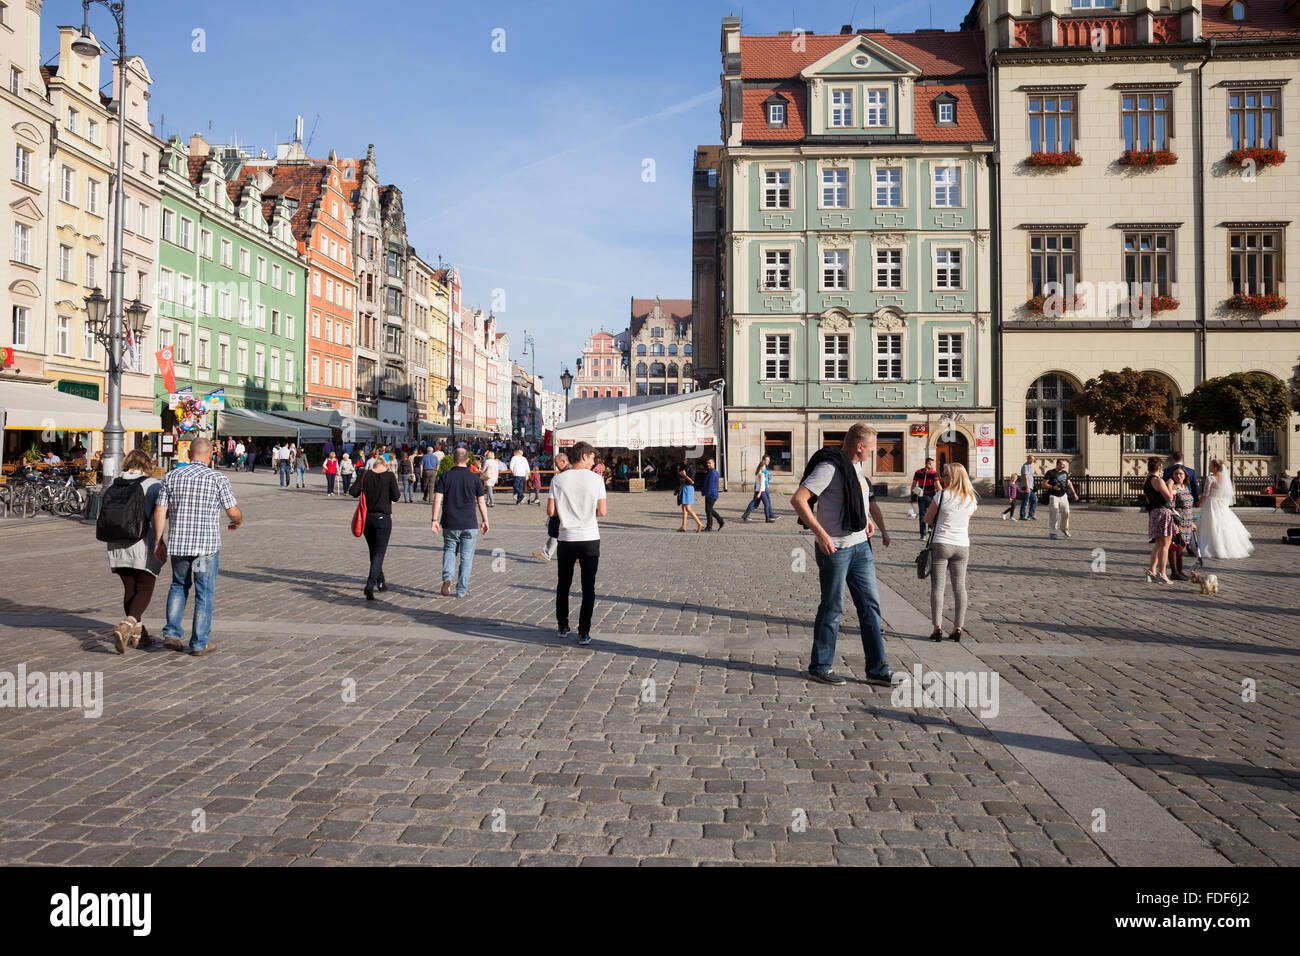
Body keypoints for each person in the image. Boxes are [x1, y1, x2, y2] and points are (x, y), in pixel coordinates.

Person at [790, 424, 901, 687]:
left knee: (871, 608)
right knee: (832, 607)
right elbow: (799, 500)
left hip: (861, 546)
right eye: (872, 447)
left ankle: (877, 669)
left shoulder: (858, 467)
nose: (875, 451)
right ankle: (820, 666)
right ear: (860, 446)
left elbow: (856, 498)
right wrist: (821, 534)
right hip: (836, 549)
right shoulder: (829, 468)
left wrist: (865, 521)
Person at [151, 438, 242, 656]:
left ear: (188, 454)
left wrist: (158, 541)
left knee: (178, 586)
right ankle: (200, 643)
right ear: (210, 455)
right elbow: (232, 511)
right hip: (206, 549)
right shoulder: (217, 478)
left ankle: (172, 634)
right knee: (204, 593)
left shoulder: (171, 476)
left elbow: (159, 511)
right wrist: (237, 521)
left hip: (179, 546)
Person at [104, 449, 164, 654]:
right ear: (147, 465)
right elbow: (160, 513)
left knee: (130, 588)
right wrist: (159, 541)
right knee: (146, 586)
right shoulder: (152, 485)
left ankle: (139, 636)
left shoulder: (114, 484)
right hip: (141, 542)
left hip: (115, 542)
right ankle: (127, 624)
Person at [549, 441, 607, 644]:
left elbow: (551, 511)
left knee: (563, 583)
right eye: (592, 457)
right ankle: (584, 631)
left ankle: (563, 625)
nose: (594, 462)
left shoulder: (558, 480)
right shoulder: (596, 479)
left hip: (566, 537)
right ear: (584, 456)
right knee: (588, 586)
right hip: (589, 537)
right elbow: (602, 511)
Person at [925, 463, 979, 642]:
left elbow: (928, 518)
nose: (942, 478)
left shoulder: (941, 496)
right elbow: (967, 519)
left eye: (946, 475)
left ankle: (937, 628)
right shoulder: (971, 499)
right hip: (962, 545)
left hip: (941, 543)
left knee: (938, 587)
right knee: (960, 588)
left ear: (954, 477)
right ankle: (958, 628)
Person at [432, 447, 490, 598]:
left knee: (450, 551)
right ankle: (462, 589)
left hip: (450, 522)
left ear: (452, 460)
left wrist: (434, 520)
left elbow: (437, 499)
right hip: (469, 523)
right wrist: (485, 520)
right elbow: (481, 502)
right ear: (468, 460)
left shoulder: (445, 476)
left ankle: (447, 578)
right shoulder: (474, 478)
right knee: (466, 558)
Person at [349, 451, 400, 600]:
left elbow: (353, 492)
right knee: (379, 553)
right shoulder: (390, 476)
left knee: (374, 551)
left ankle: (381, 582)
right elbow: (396, 496)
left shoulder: (365, 475)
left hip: (367, 519)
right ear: (385, 466)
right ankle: (370, 584)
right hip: (383, 518)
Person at [1198, 459, 1254, 559]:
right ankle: (1227, 547)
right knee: (1223, 525)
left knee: (1211, 525)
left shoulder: (1210, 478)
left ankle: (1212, 547)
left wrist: (1200, 502)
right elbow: (1228, 493)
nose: (1209, 467)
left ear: (1215, 468)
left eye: (1210, 466)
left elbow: (1205, 493)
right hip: (1221, 504)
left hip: (1211, 503)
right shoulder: (1225, 479)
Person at [1142, 456, 1175, 584]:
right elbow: (1169, 497)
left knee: (1158, 544)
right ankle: (1162, 572)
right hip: (1163, 513)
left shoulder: (1147, 480)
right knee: (1165, 545)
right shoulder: (1158, 480)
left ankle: (1151, 570)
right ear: (1160, 467)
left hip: (1154, 513)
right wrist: (1170, 484)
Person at [534, 452, 570, 561]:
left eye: (557, 463)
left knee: (557, 532)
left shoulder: (565, 475)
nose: (556, 465)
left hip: (564, 507)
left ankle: (547, 554)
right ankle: (547, 553)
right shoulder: (566, 473)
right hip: (565, 507)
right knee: (560, 532)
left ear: (564, 462)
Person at [1168, 465, 1197, 581]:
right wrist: (1174, 524)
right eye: (1176, 474)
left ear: (1185, 476)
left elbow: (1189, 506)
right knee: (1174, 547)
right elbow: (1171, 507)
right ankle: (1174, 572)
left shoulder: (1186, 487)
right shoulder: (1173, 488)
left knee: (1181, 547)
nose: (1179, 476)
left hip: (1187, 521)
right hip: (1178, 521)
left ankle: (1179, 571)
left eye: (1181, 474)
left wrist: (1191, 522)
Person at [1043, 458, 1079, 539]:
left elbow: (1069, 483)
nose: (1064, 465)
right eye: (1062, 464)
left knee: (1066, 512)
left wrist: (1074, 493)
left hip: (1063, 495)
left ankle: (1064, 529)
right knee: (1054, 514)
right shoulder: (1050, 473)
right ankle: (1053, 532)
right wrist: (1053, 487)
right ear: (1058, 464)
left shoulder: (1065, 473)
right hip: (1053, 496)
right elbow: (1044, 484)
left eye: (1064, 464)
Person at [742, 455, 778, 522]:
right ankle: (769, 517)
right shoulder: (762, 470)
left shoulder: (762, 468)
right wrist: (760, 492)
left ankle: (746, 515)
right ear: (763, 460)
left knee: (756, 503)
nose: (768, 461)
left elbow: (763, 479)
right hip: (761, 488)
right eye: (767, 460)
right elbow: (761, 481)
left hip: (761, 488)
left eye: (769, 460)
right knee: (765, 503)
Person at [912, 456, 940, 540]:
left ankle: (923, 535)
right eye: (933, 464)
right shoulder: (933, 473)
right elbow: (938, 486)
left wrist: (911, 496)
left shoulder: (918, 472)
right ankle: (930, 528)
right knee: (932, 513)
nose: (934, 466)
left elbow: (913, 485)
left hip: (921, 496)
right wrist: (943, 494)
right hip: (931, 495)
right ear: (929, 464)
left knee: (922, 515)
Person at [676, 458, 703, 532]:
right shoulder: (686, 468)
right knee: (683, 507)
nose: (684, 461)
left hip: (689, 488)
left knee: (688, 508)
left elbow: (692, 482)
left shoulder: (692, 469)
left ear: (689, 461)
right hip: (685, 488)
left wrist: (685, 475)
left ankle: (699, 523)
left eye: (685, 460)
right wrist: (680, 472)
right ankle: (683, 526)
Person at [702, 457, 724, 532]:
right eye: (707, 463)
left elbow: (711, 485)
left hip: (711, 494)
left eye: (710, 463)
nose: (708, 464)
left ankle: (710, 526)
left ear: (713, 463)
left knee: (708, 510)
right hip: (711, 493)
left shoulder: (713, 472)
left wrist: (707, 493)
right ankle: (719, 521)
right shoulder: (711, 471)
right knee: (709, 510)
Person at [1018, 454, 1037, 520]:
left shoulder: (1029, 466)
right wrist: (1027, 487)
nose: (1033, 460)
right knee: (1025, 501)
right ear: (1028, 459)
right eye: (1031, 459)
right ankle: (1022, 516)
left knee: (1035, 500)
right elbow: (1025, 477)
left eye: (1033, 459)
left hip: (1030, 487)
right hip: (1026, 487)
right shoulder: (1025, 466)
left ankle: (1031, 515)